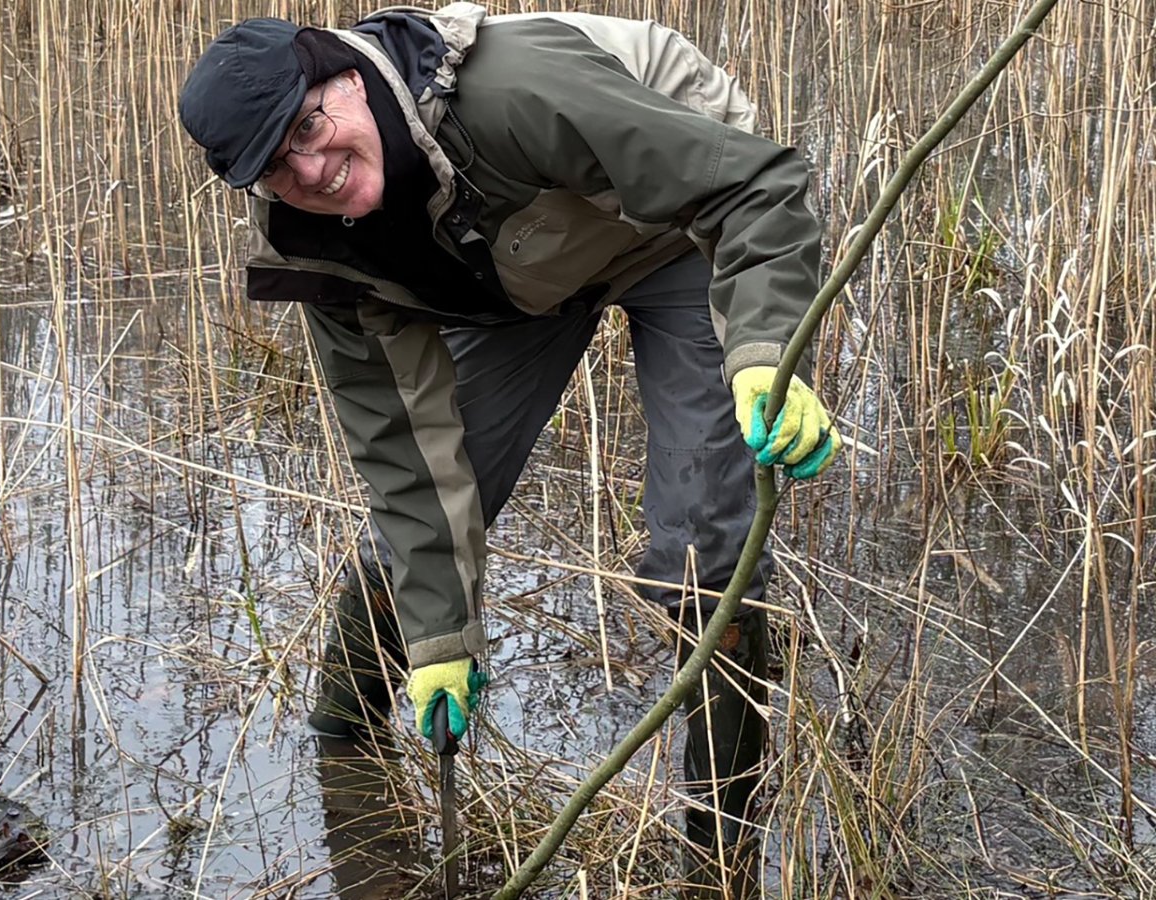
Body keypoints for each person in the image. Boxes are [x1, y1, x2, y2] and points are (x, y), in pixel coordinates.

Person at [179, 3, 839, 891]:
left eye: (309, 126)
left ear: (346, 78)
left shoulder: (510, 91)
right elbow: (404, 451)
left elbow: (752, 187)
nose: (313, 168)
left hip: (681, 220)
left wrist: (764, 351)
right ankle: (345, 746)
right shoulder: (313, 245)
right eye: (276, 166)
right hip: (518, 271)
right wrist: (441, 635)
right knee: (415, 541)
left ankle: (722, 841)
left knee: (700, 553)